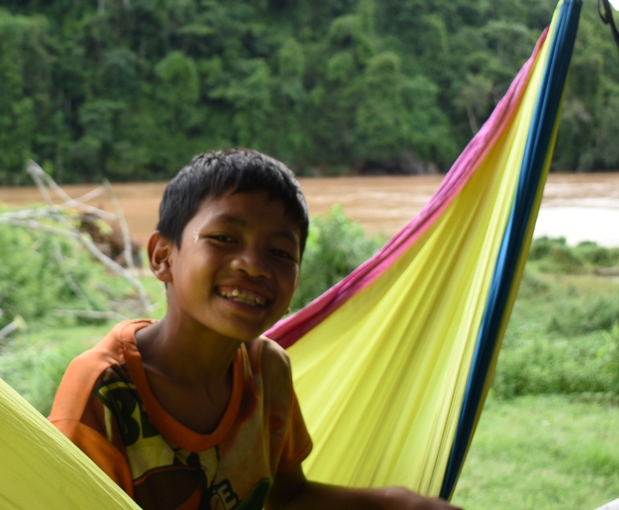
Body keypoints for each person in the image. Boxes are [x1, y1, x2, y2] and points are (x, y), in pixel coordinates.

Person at [49, 148, 461, 510]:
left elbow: (287, 497)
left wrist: (394, 503)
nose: (254, 264)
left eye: (280, 252)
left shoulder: (267, 371)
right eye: (225, 237)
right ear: (162, 257)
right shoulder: (103, 394)